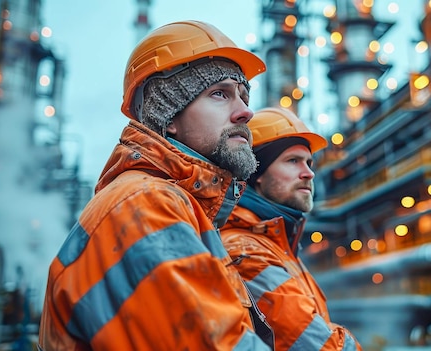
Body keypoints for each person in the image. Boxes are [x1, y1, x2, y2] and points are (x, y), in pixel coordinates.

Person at [38, 20, 274, 350]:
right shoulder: (145, 205)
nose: (246, 112)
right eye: (219, 94)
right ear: (168, 117)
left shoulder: (182, 207)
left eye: (244, 96)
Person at [220, 107, 362, 351]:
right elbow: (320, 346)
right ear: (256, 174)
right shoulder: (246, 250)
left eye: (309, 162)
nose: (308, 173)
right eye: (292, 161)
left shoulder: (277, 244)